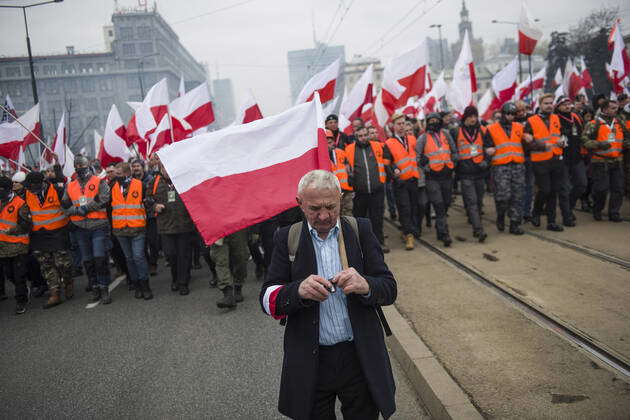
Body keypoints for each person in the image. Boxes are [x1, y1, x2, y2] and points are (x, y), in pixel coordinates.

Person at [260, 169, 397, 420]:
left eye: (331, 207)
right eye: (314, 209)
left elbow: (389, 289)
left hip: (358, 357)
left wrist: (366, 285)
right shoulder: (286, 237)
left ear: (341, 198)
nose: (324, 216)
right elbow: (267, 299)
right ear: (300, 203)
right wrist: (297, 291)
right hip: (311, 361)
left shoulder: (360, 230)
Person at [61, 155, 113, 304]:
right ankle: (95, 286)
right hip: (79, 228)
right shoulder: (70, 185)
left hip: (98, 225)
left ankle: (104, 288)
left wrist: (86, 208)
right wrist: (77, 211)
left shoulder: (99, 181)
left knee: (99, 258)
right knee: (88, 260)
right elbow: (64, 205)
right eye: (77, 167)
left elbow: (103, 198)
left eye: (81, 167)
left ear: (88, 166)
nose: (79, 170)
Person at [24, 171, 73, 309]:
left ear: (42, 183)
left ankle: (68, 282)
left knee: (63, 264)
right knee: (46, 265)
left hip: (58, 232)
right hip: (39, 235)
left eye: (32, 186)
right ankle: (54, 293)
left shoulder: (57, 190)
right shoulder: (26, 193)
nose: (30, 189)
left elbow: (69, 208)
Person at [483, 102, 533, 235]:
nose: (511, 116)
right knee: (503, 196)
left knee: (518, 196)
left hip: (518, 166)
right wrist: (488, 150)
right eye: (508, 114)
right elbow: (486, 145)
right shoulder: (492, 128)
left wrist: (529, 138)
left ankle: (514, 224)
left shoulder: (519, 127)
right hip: (500, 167)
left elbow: (526, 142)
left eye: (513, 114)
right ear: (503, 114)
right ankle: (500, 215)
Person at [581, 99, 630, 222]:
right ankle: (597, 209)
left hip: (617, 160)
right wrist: (599, 144)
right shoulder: (594, 123)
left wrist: (626, 144)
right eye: (613, 108)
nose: (616, 110)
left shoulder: (619, 122)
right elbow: (584, 140)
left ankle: (614, 213)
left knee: (618, 188)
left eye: (616, 107)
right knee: (601, 189)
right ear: (604, 109)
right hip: (600, 162)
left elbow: (626, 137)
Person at [150, 162, 195, 295]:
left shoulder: (183, 180)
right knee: (171, 255)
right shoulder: (155, 182)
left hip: (184, 225)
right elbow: (146, 199)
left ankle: (183, 282)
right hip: (166, 227)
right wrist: (154, 206)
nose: (166, 170)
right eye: (163, 168)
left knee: (183, 255)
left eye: (168, 167)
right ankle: (175, 278)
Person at [110, 162, 153, 300]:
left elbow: (147, 202)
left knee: (138, 257)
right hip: (121, 229)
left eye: (118, 174)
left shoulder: (140, 185)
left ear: (127, 174)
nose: (116, 177)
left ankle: (145, 285)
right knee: (129, 259)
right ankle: (137, 285)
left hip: (137, 228)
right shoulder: (112, 187)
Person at [344, 125, 390, 253]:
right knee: (361, 220)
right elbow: (347, 169)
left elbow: (386, 160)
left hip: (377, 190)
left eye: (365, 135)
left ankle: (379, 243)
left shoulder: (377, 146)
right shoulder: (349, 150)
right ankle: (362, 246)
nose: (363, 138)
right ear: (356, 136)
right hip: (360, 192)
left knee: (377, 219)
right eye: (360, 136)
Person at [525, 93, 565, 232]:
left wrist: (563, 142)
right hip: (540, 160)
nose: (549, 105)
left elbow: (562, 135)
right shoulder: (531, 121)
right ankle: (536, 211)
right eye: (546, 103)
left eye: (551, 103)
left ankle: (551, 222)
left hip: (556, 159)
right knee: (545, 190)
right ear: (540, 105)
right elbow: (527, 144)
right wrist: (542, 146)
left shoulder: (556, 118)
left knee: (553, 191)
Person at [417, 112, 457, 246]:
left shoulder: (446, 134)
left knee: (446, 203)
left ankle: (440, 227)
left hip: (446, 175)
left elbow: (453, 150)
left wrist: (454, 162)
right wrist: (424, 164)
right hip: (432, 178)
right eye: (431, 120)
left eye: (436, 120)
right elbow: (417, 156)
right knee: (438, 204)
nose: (434, 122)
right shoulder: (423, 138)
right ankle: (444, 234)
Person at [451, 106, 488, 242]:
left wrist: (486, 161)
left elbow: (488, 147)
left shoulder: (483, 131)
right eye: (470, 116)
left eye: (475, 116)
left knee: (478, 201)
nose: (473, 119)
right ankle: (478, 230)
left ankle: (474, 220)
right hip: (465, 173)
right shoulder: (456, 132)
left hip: (479, 172)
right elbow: (452, 151)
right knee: (472, 201)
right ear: (465, 117)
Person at [385, 113, 420, 250]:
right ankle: (409, 235)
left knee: (413, 207)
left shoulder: (412, 139)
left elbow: (417, 156)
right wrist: (394, 174)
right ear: (393, 126)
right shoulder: (389, 143)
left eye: (403, 124)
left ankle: (408, 230)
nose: (401, 126)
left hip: (413, 179)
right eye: (398, 124)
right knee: (404, 208)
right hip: (400, 182)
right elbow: (387, 164)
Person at [0, 176, 31, 314]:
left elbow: (26, 225)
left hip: (19, 245)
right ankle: (23, 291)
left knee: (19, 275)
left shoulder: (20, 203)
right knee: (9, 274)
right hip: (3, 247)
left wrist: (12, 230)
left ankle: (21, 300)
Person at [555, 96, 586, 226]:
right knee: (564, 188)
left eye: (569, 104)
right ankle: (566, 216)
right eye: (564, 104)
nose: (567, 106)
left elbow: (583, 134)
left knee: (582, 184)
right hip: (562, 158)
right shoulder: (555, 118)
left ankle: (570, 207)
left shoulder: (576, 117)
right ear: (558, 106)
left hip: (577, 157)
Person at [211, 228, 249, 308]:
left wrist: (255, 231)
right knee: (220, 260)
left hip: (237, 226)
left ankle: (238, 285)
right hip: (216, 228)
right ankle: (227, 293)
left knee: (240, 258)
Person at [326, 129, 353, 216]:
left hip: (346, 191)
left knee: (347, 214)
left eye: (330, 142)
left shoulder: (341, 153)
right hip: (331, 193)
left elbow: (349, 170)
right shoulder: (320, 157)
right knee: (334, 216)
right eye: (326, 143)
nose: (329, 145)